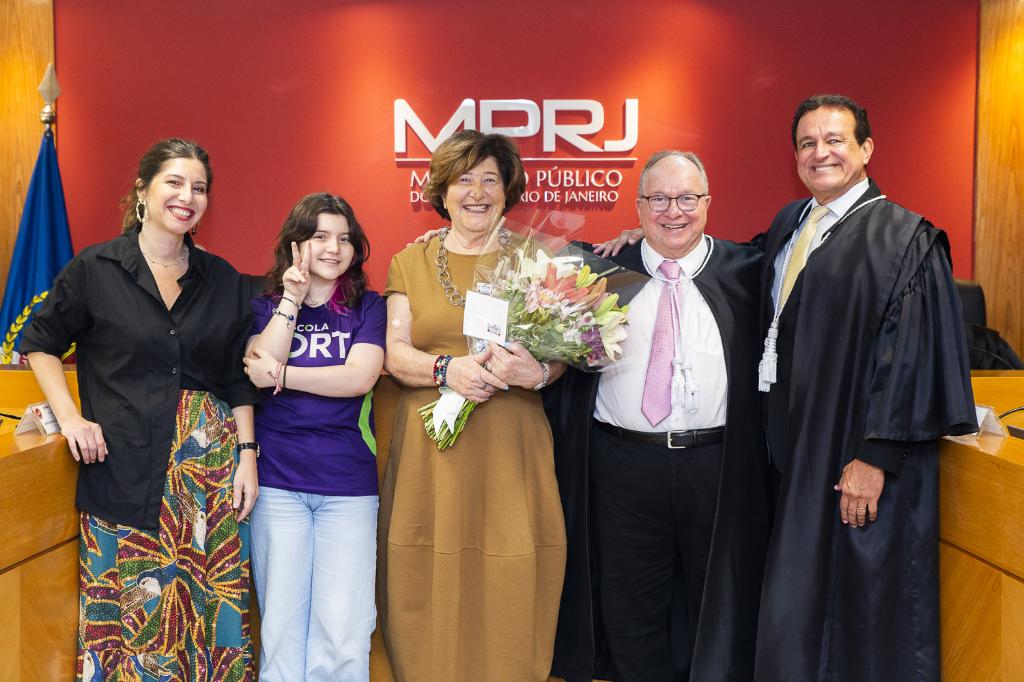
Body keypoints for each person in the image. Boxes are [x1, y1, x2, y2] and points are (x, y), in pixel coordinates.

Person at [753, 94, 976, 681]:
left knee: (860, 608)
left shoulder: (904, 239)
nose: (820, 153)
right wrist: (645, 242)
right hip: (796, 453)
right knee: (798, 602)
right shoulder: (790, 224)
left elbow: (913, 357)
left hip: (855, 457)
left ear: (867, 149)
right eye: (807, 143)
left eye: (835, 140)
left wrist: (875, 456)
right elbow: (741, 275)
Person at [20, 138, 259, 678]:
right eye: (174, 182)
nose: (187, 197)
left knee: (208, 621)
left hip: (208, 482)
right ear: (142, 191)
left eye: (199, 188)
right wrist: (71, 417)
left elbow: (236, 377)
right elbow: (39, 343)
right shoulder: (95, 268)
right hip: (123, 474)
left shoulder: (222, 279)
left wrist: (247, 454)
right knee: (132, 625)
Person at [546, 151, 772, 681]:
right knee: (630, 607)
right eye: (659, 199)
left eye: (687, 198)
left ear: (708, 203)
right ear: (639, 207)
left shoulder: (747, 272)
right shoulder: (601, 271)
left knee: (717, 603)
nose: (674, 211)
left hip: (718, 466)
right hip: (623, 466)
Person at [378, 129, 568, 681]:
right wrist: (447, 369)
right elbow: (394, 353)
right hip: (432, 449)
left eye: (490, 179)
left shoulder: (539, 260)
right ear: (442, 190)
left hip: (510, 445)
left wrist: (539, 372)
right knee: (424, 565)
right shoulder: (410, 262)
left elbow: (564, 351)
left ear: (509, 190)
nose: (477, 192)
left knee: (512, 566)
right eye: (464, 180)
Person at [243, 193, 385, 681]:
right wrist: (292, 299)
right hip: (277, 482)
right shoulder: (264, 305)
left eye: (344, 238)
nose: (333, 248)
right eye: (320, 236)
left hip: (347, 485)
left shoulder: (368, 306)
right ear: (295, 243)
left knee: (344, 629)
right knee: (281, 625)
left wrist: (281, 374)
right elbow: (256, 368)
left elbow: (358, 378)